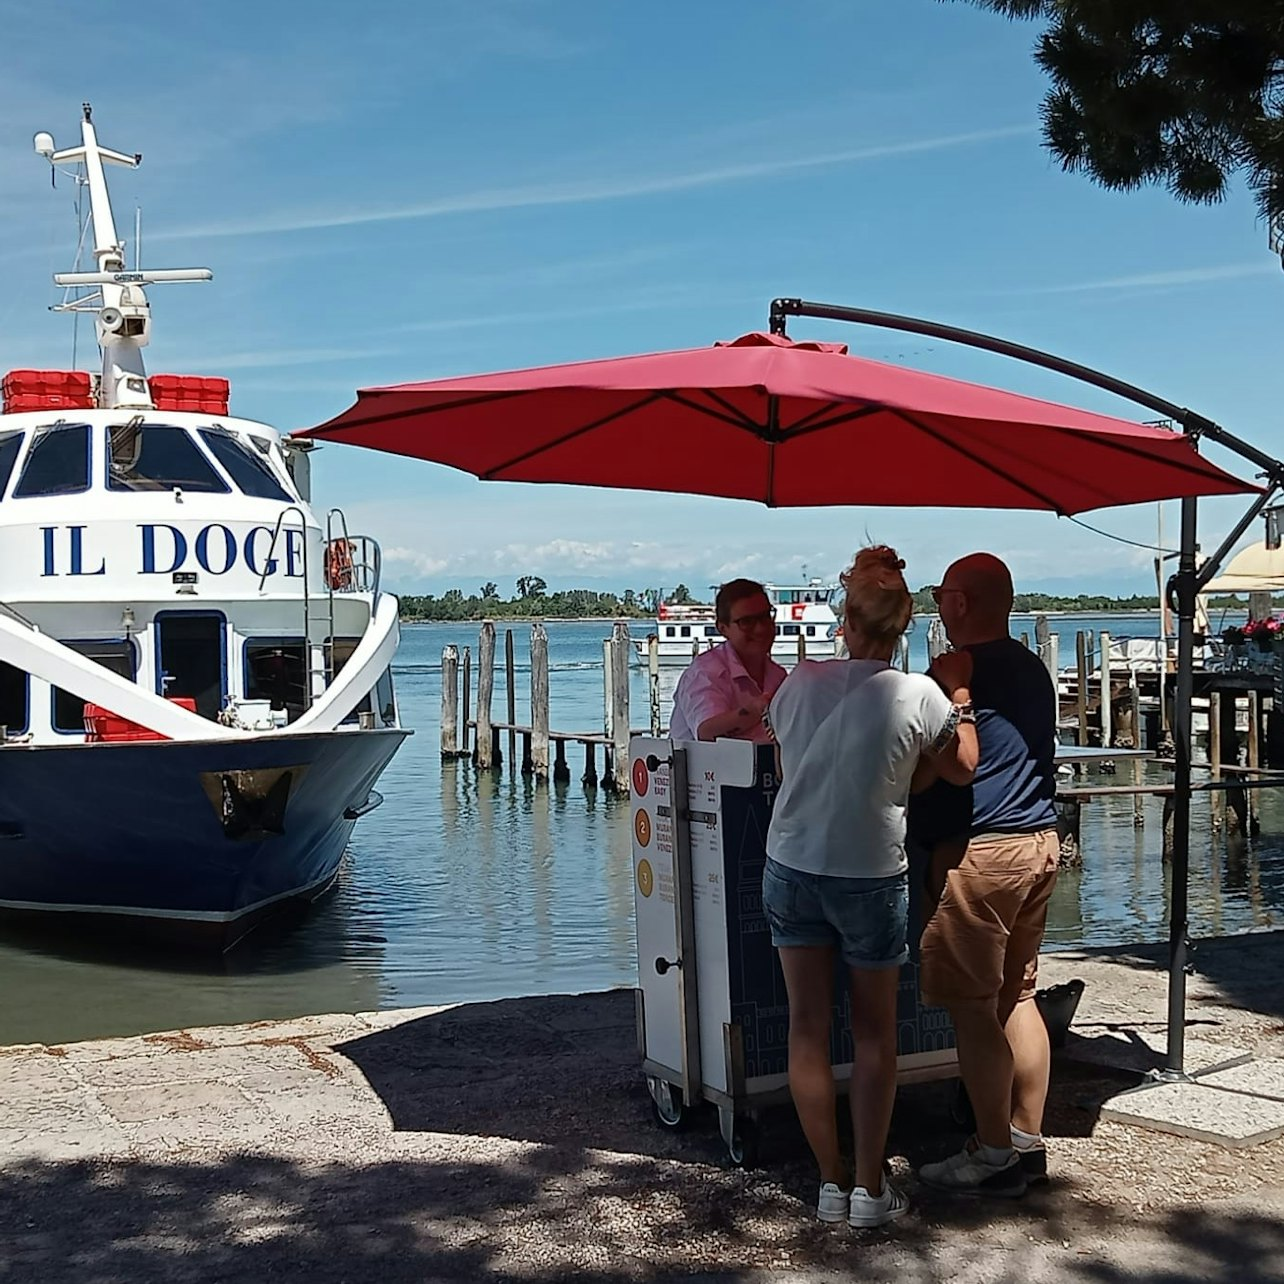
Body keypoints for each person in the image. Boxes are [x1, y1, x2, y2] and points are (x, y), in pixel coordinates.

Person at [761, 547, 978, 1229]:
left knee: (806, 1028)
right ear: (903, 627)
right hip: (870, 873)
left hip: (791, 864)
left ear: (846, 621)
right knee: (876, 1034)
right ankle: (868, 1188)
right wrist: (964, 698)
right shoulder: (920, 694)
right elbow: (962, 767)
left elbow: (789, 764)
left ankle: (828, 1181)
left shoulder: (796, 685)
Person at [910, 553, 1059, 1198]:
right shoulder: (1032, 667)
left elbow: (945, 760)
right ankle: (1024, 1136)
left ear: (962, 603)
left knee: (972, 1009)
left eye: (942, 595)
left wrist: (948, 692)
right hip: (1040, 842)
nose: (938, 606)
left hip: (985, 852)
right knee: (1017, 995)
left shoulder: (956, 674)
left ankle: (992, 1150)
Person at [669, 579, 786, 743]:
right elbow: (707, 732)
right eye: (747, 622)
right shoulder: (706, 673)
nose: (760, 628)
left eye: (765, 617)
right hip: (704, 767)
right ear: (722, 629)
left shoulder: (778, 675)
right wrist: (759, 708)